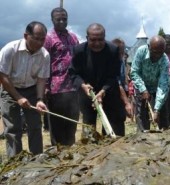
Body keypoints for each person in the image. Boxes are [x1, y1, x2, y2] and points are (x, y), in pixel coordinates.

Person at [0, 21, 50, 157]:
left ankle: (38, 158)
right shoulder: (10, 49)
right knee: (13, 128)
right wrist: (18, 97)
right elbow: (3, 76)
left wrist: (39, 99)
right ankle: (15, 162)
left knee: (35, 126)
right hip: (10, 89)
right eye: (36, 38)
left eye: (43, 39)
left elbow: (41, 79)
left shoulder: (44, 55)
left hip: (32, 90)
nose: (40, 42)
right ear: (26, 35)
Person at [69, 23, 126, 136]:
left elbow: (114, 75)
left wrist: (103, 91)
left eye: (101, 39)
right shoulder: (79, 51)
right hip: (87, 92)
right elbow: (73, 73)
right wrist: (83, 85)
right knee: (88, 127)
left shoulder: (113, 50)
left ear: (104, 37)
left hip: (108, 91)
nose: (97, 43)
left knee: (113, 125)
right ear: (87, 38)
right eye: (93, 40)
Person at [43, 7, 80, 146]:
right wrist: (45, 86)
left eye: (64, 18)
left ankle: (70, 151)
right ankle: (58, 154)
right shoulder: (48, 39)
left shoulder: (73, 37)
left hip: (73, 87)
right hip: (55, 89)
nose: (61, 21)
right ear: (52, 20)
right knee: (57, 125)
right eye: (58, 19)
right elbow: (44, 63)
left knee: (72, 123)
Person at [130, 35, 170, 132]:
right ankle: (142, 135)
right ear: (149, 47)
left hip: (157, 88)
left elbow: (163, 85)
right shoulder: (141, 52)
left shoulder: (165, 60)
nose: (157, 56)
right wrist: (143, 89)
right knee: (142, 116)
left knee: (162, 116)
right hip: (141, 85)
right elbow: (134, 72)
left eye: (160, 53)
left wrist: (156, 109)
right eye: (155, 52)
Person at [111, 38, 133, 119]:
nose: (123, 53)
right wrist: (127, 103)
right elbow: (118, 84)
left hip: (121, 94)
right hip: (112, 96)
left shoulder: (121, 61)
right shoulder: (112, 63)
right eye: (121, 51)